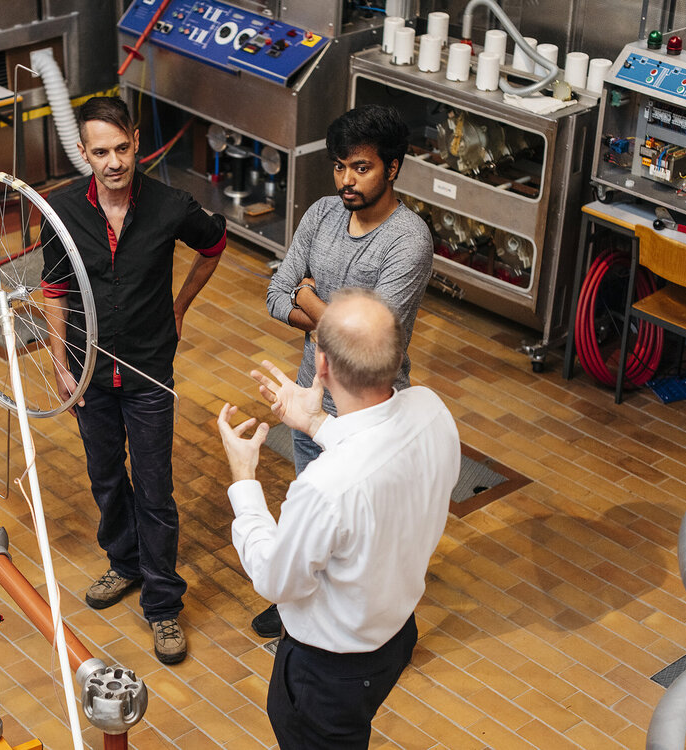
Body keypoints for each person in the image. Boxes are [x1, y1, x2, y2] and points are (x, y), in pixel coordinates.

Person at [217, 289, 460, 749]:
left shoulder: (324, 487)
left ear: (321, 366)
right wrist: (315, 424)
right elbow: (377, 463)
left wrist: (244, 479)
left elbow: (274, 579)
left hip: (328, 675)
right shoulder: (432, 409)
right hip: (394, 638)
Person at [39, 96, 227, 665]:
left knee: (155, 487)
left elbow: (213, 246)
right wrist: (60, 362)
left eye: (122, 148)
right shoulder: (61, 210)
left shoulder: (170, 205)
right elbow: (54, 291)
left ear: (137, 142)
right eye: (101, 151)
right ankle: (123, 564)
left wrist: (180, 306)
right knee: (103, 476)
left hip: (148, 371)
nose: (114, 161)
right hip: (89, 370)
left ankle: (163, 603)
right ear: (83, 153)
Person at [254, 103, 434, 638]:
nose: (346, 181)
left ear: (393, 167)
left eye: (361, 167)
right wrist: (323, 315)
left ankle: (379, 624)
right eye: (340, 167)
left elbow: (367, 343)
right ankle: (300, 605)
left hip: (372, 414)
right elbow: (274, 295)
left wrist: (309, 297)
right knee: (313, 511)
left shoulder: (409, 240)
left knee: (368, 526)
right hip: (313, 403)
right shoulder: (320, 215)